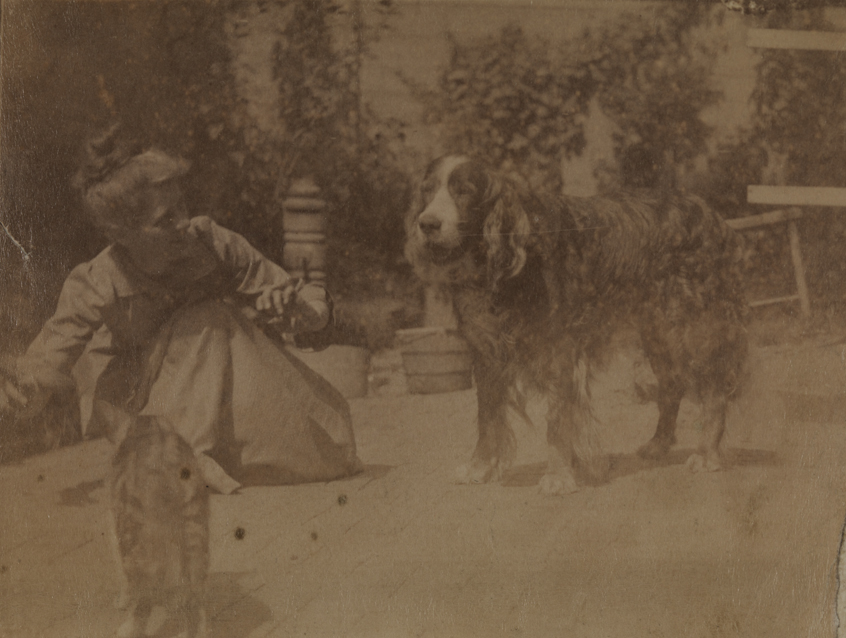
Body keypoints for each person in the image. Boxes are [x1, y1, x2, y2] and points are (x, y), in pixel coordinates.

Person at [0, 125, 362, 493]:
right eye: (165, 219)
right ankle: (172, 458)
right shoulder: (97, 281)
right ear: (122, 233)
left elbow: (299, 294)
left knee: (331, 445)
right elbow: (47, 361)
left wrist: (301, 313)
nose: (184, 222)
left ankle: (182, 460)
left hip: (214, 392)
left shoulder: (209, 243)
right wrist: (22, 390)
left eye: (182, 206)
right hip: (141, 402)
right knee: (204, 319)